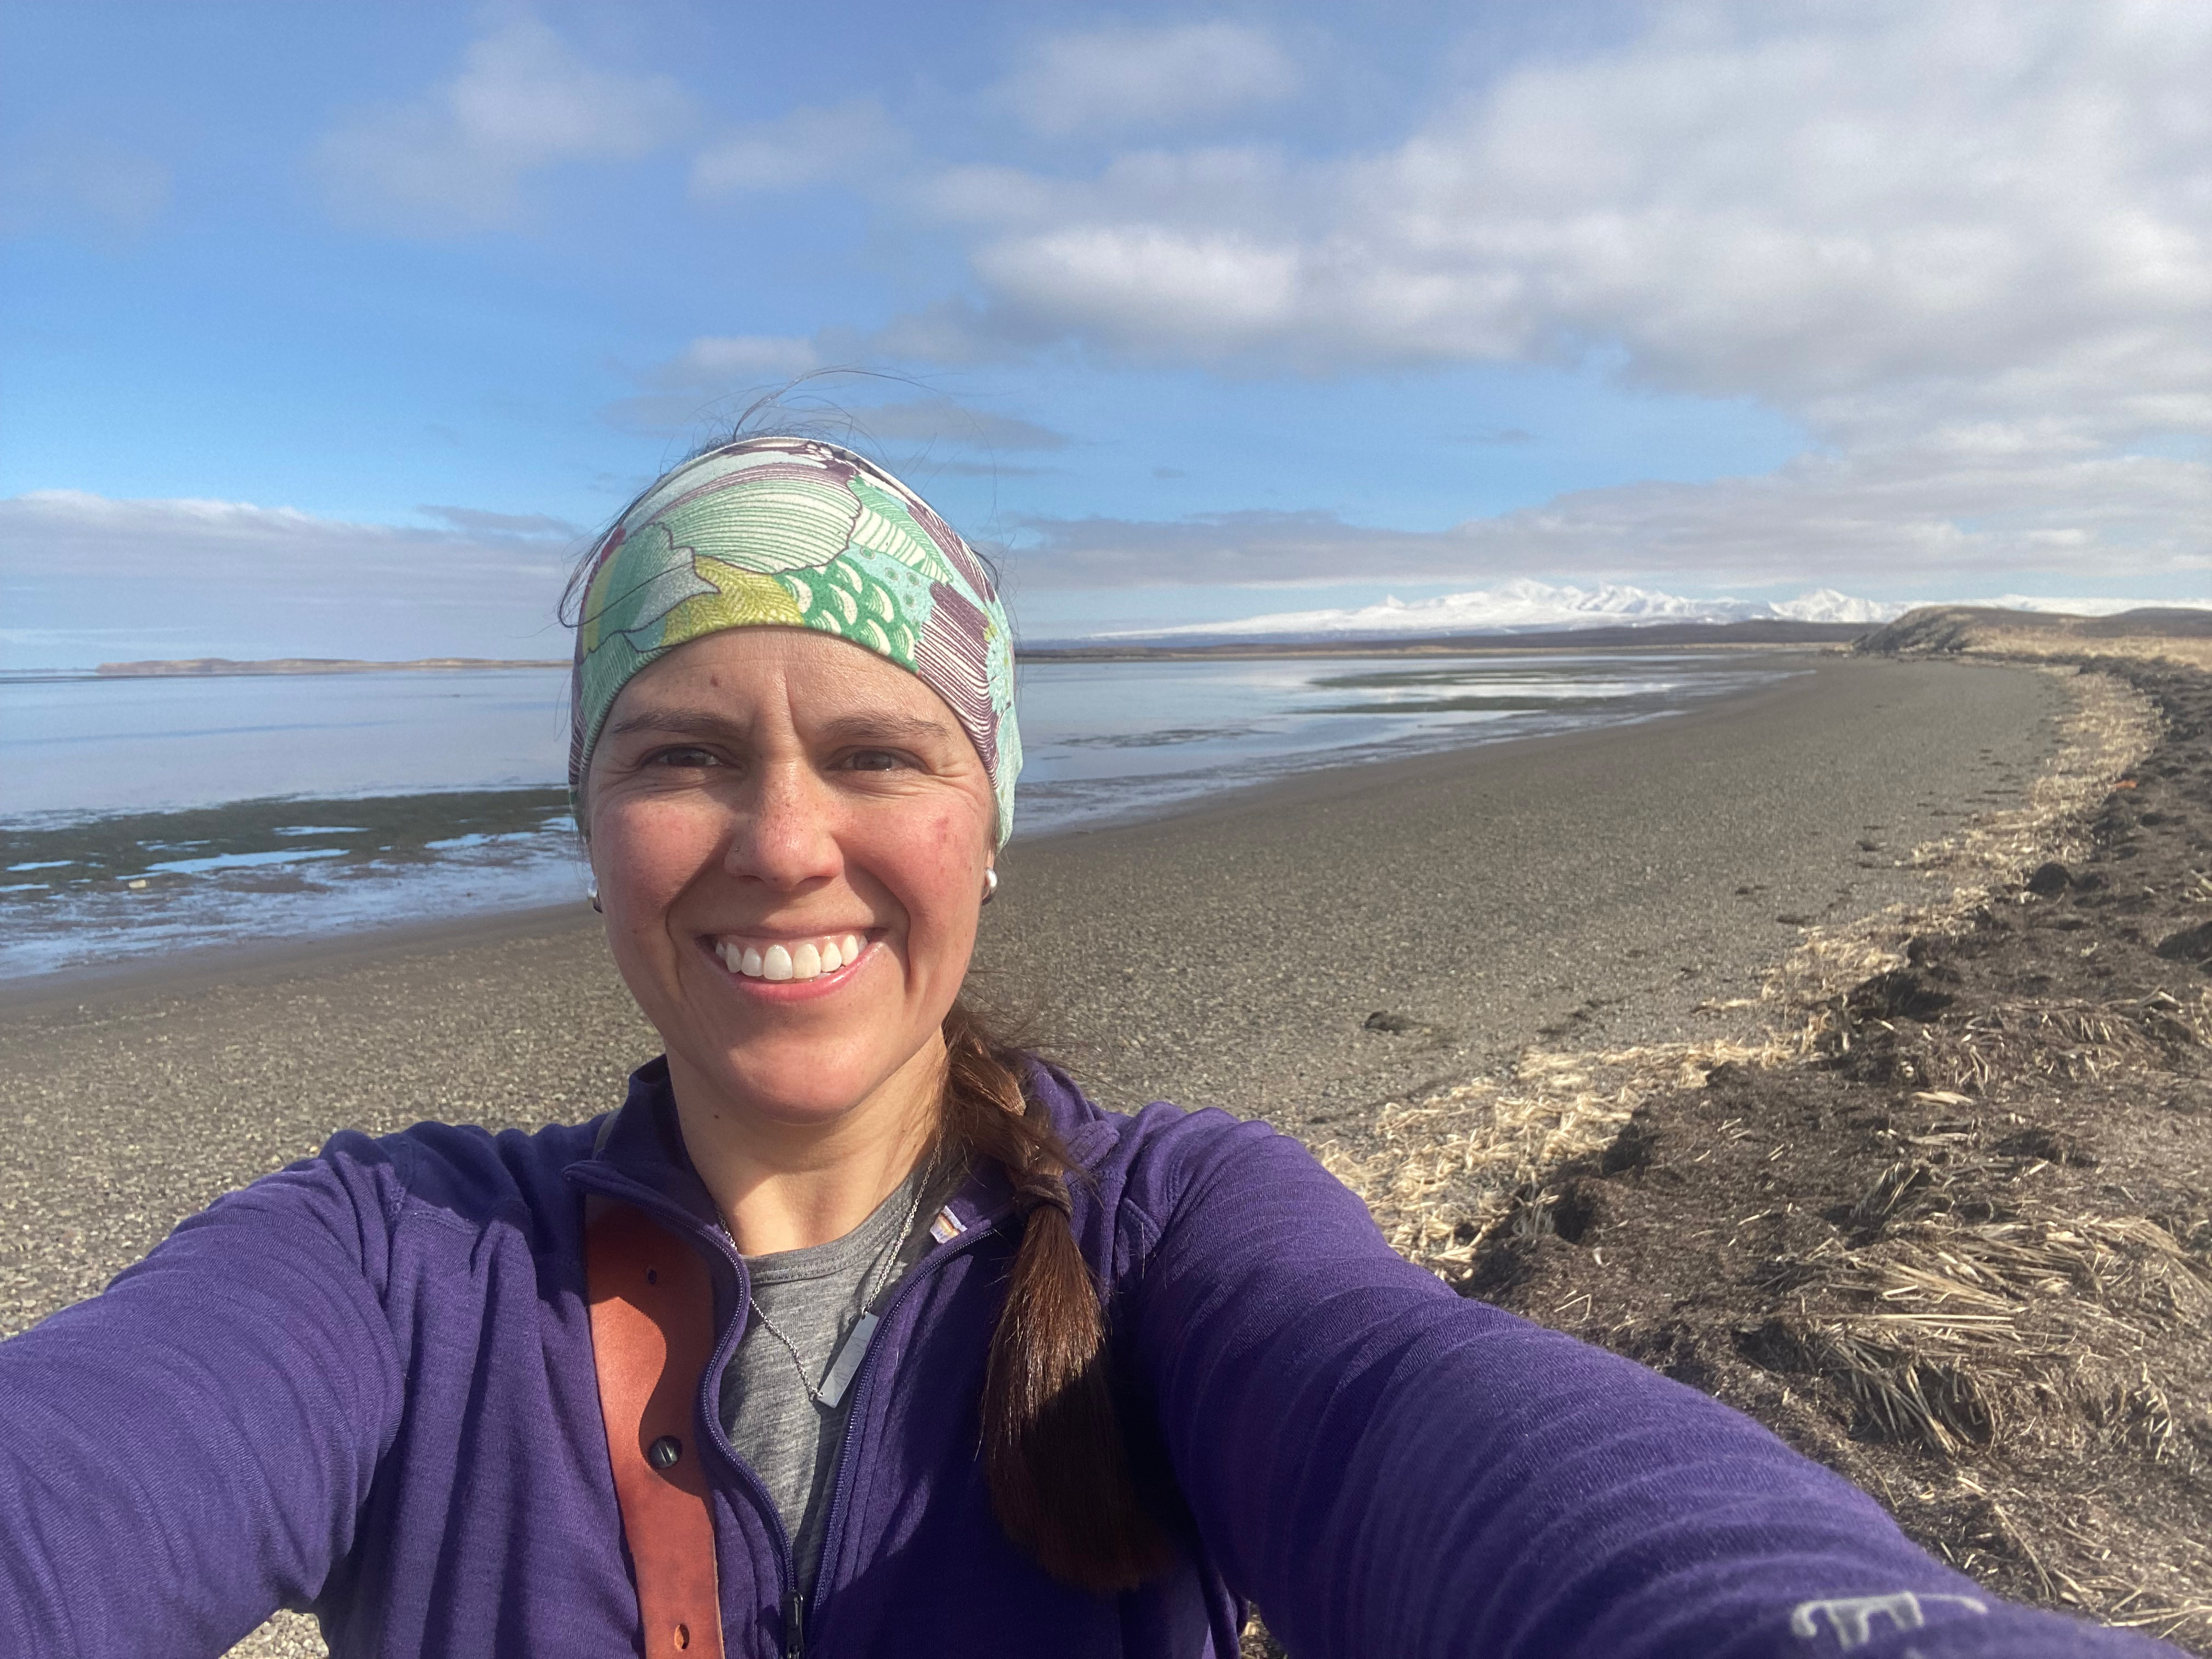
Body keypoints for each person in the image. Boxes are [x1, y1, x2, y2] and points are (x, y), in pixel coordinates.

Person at [0, 436, 2180, 1659]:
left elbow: (1468, 1446)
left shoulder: (1170, 1237)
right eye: (680, 755)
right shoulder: (398, 1266)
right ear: (588, 828)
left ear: (990, 818)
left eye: (879, 753)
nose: (783, 843)